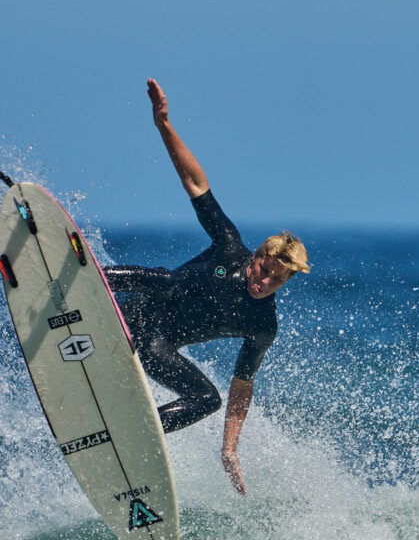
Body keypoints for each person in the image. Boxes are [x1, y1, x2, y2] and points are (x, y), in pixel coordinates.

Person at [103, 79, 310, 495]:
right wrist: (163, 124)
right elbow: (197, 185)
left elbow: (242, 385)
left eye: (276, 281)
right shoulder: (228, 249)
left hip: (154, 347)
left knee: (207, 399)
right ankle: (89, 279)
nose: (264, 283)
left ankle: (131, 437)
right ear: (255, 257)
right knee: (165, 280)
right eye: (264, 271)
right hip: (132, 311)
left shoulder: (263, 325)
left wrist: (230, 449)